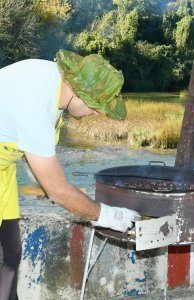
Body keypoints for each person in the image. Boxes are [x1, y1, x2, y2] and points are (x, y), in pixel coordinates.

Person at [0, 50, 140, 300]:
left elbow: (25, 147)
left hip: (3, 171)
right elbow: (58, 191)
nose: (97, 113)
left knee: (10, 253)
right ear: (79, 92)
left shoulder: (54, 85)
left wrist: (41, 180)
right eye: (96, 106)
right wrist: (107, 215)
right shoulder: (35, 103)